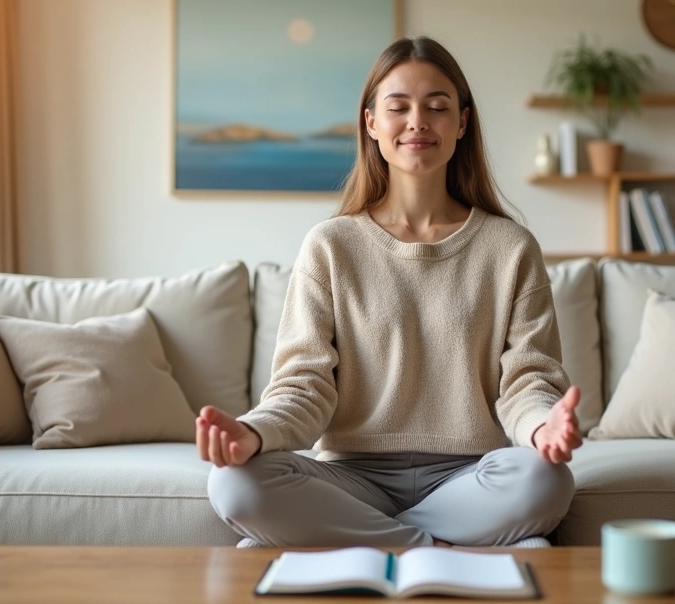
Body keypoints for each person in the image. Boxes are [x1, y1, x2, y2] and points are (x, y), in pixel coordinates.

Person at [197, 36, 583, 549]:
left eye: (437, 107)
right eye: (398, 107)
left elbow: (527, 382)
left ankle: (356, 543)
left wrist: (542, 428)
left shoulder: (510, 246)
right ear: (371, 123)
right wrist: (254, 433)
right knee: (233, 484)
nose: (417, 121)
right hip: (353, 479)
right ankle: (442, 547)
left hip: (469, 478)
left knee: (546, 481)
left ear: (462, 123)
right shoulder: (331, 245)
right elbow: (302, 387)